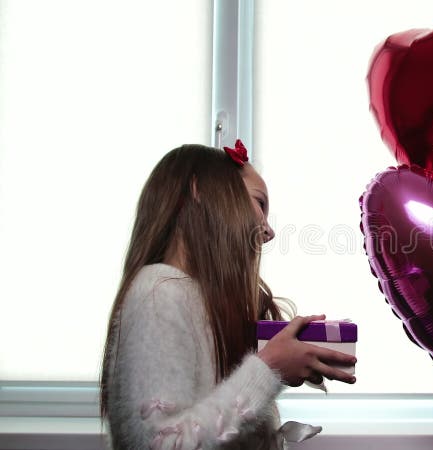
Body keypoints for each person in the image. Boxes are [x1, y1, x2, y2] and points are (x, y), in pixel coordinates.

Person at [100, 141, 357, 449]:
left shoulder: (192, 300)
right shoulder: (159, 292)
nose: (268, 230)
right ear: (200, 191)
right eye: (259, 203)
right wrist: (267, 370)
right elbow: (158, 444)